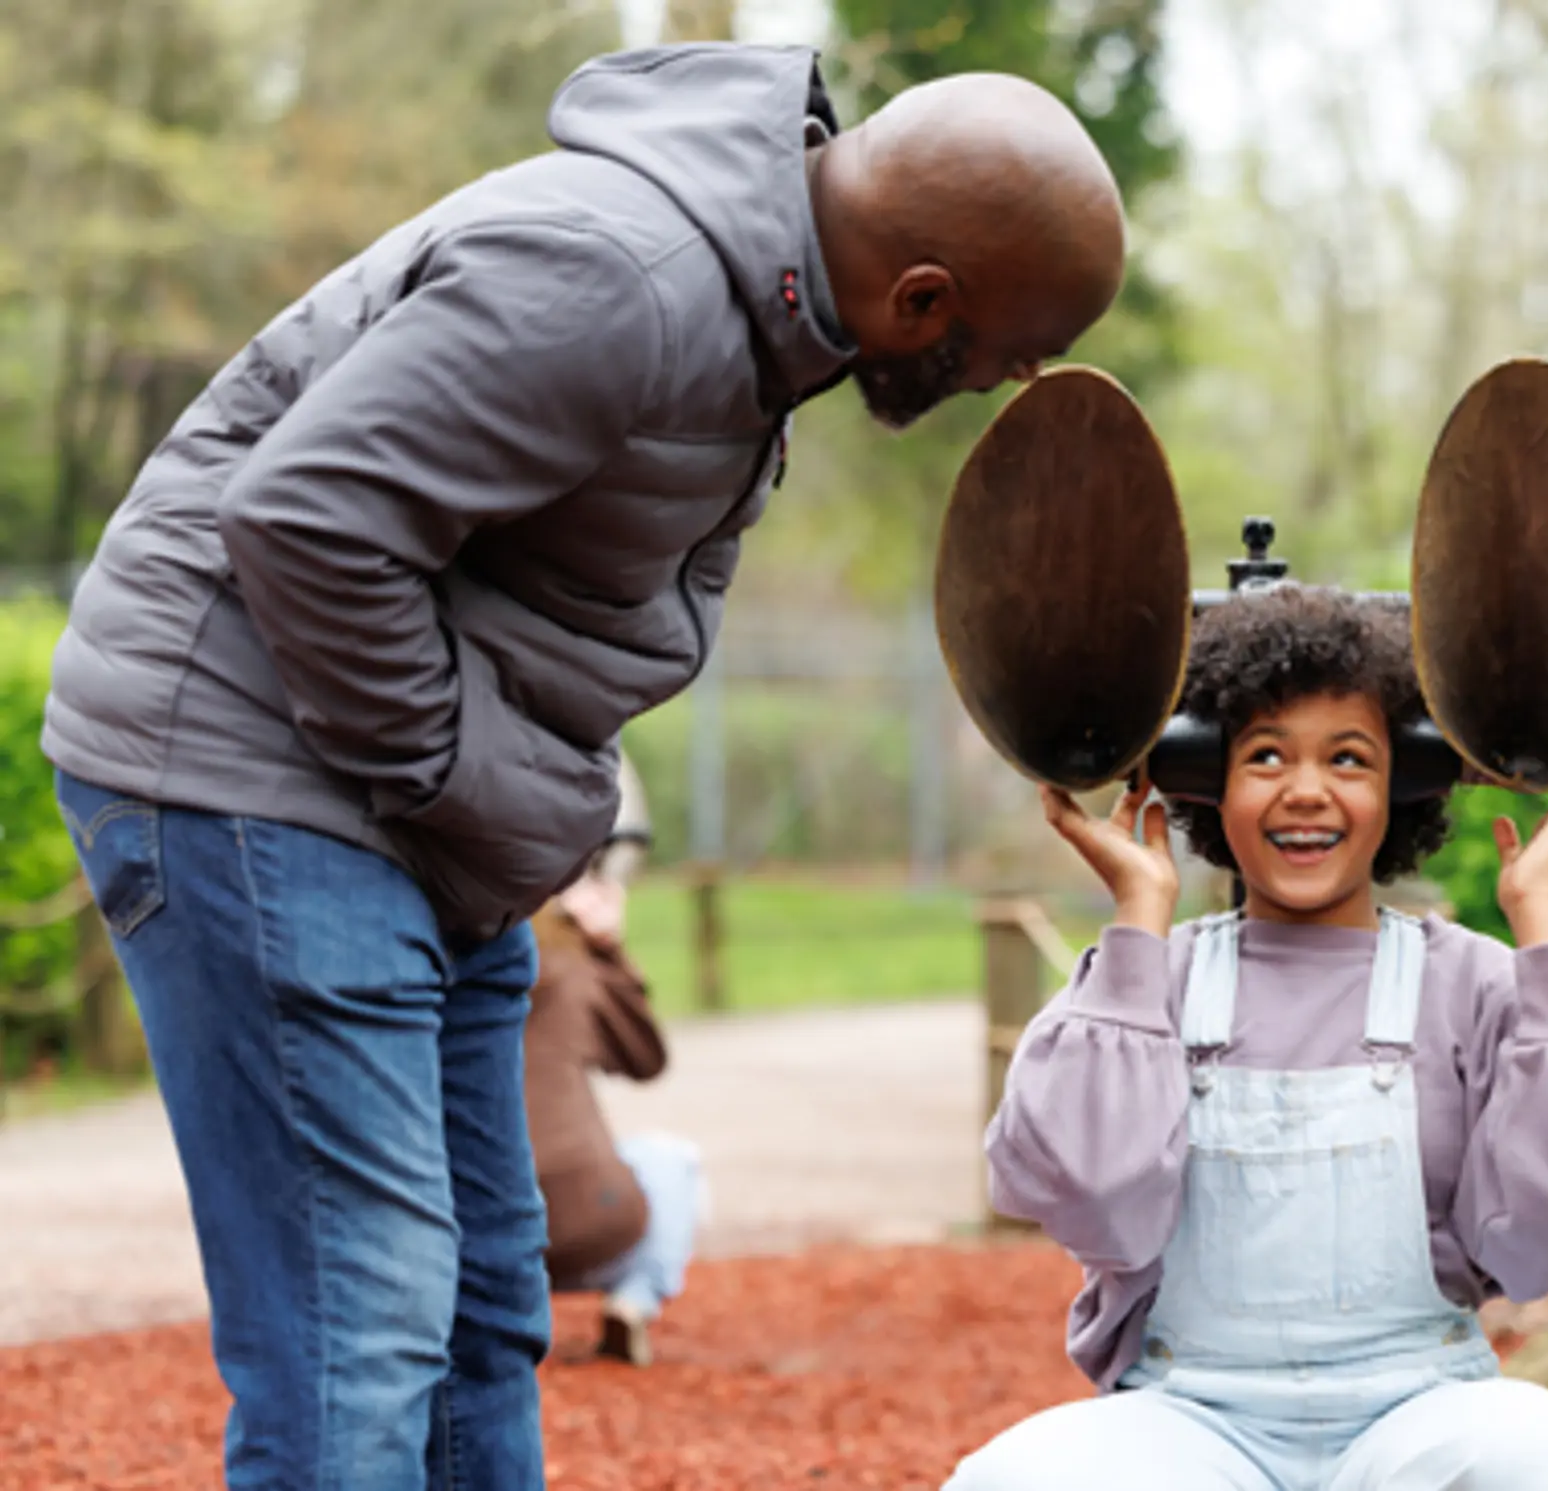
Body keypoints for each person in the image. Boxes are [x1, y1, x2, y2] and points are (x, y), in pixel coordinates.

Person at [41, 39, 1127, 1491]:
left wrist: (508, 811)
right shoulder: (619, 278)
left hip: (409, 813)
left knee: (489, 1303)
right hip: (252, 773)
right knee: (358, 1324)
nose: (1012, 383)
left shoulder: (750, 314)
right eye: (1007, 350)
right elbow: (308, 526)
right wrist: (482, 788)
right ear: (919, 297)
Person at [947, 584, 1548, 1491]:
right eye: (1264, 755)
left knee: (1541, 1458)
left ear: (1396, 790)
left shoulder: (1473, 981)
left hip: (1420, 1410)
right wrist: (1138, 920)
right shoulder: (1152, 979)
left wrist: (1541, 922)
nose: (1305, 790)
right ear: (1212, 782)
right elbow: (1089, 1199)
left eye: (1349, 757)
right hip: (1189, 1420)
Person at [521, 751, 707, 1367]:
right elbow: (646, 1058)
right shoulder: (571, 963)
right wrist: (611, 949)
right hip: (591, 1225)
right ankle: (634, 1297)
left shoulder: (459, 956)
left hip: (474, 1230)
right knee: (673, 1161)